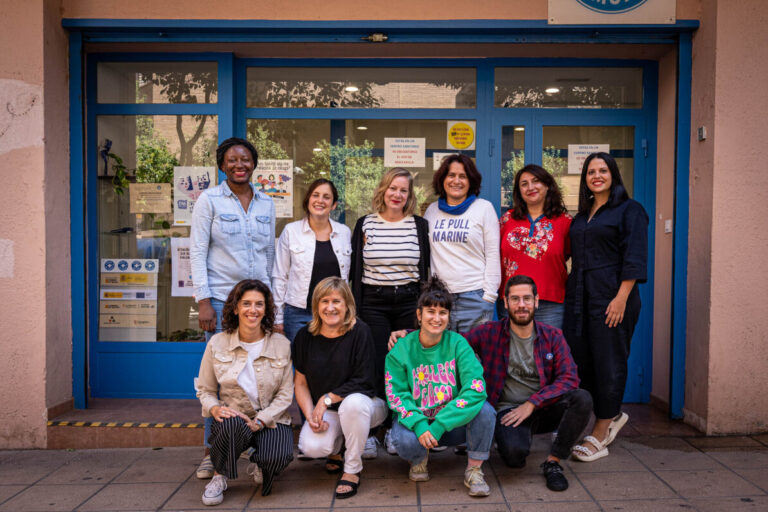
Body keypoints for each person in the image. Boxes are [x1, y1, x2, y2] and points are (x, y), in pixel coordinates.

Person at [390, 275, 592, 491]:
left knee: (582, 398)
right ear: (505, 303)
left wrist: (533, 403)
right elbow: (452, 342)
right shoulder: (490, 333)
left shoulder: (553, 336)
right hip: (509, 413)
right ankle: (511, 440)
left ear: (536, 301)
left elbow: (570, 378)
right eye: (515, 299)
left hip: (542, 406)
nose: (521, 305)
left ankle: (554, 462)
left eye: (526, 299)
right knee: (514, 458)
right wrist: (411, 335)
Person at [190, 137, 275, 479]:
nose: (239, 165)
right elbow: (197, 251)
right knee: (222, 380)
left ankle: (258, 447)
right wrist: (204, 302)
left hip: (259, 304)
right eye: (232, 160)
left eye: (245, 160)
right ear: (222, 166)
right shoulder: (208, 201)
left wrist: (274, 306)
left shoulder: (267, 202)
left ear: (254, 164)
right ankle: (213, 451)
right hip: (224, 302)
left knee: (259, 378)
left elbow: (269, 254)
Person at [563, 152, 649, 462]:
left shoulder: (630, 210)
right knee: (582, 362)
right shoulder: (583, 215)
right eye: (590, 172)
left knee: (609, 362)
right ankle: (600, 416)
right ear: (584, 179)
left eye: (603, 170)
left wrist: (621, 298)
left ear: (613, 174)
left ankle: (603, 426)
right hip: (579, 300)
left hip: (612, 299)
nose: (596, 175)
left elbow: (635, 256)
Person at [384, 277, 496, 497]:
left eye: (442, 313)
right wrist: (419, 425)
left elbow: (476, 388)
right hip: (419, 424)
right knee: (403, 440)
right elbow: (396, 395)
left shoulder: (458, 344)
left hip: (452, 425)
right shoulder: (401, 349)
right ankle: (418, 459)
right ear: (419, 315)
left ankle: (474, 469)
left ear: (448, 317)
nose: (436, 318)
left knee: (486, 411)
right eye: (430, 312)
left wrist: (439, 425)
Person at [349, 167, 430, 457]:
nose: (397, 194)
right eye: (392, 188)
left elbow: (425, 270)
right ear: (383, 190)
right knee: (376, 364)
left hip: (409, 301)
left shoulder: (419, 225)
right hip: (373, 302)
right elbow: (355, 270)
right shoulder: (365, 224)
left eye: (403, 190)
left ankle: (398, 428)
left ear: (409, 195)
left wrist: (423, 308)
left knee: (406, 365)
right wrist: (354, 310)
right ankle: (372, 431)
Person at [196, 280, 294, 506]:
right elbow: (206, 389)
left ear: (266, 309)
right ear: (235, 308)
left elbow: (285, 394)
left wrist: (262, 419)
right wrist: (215, 408)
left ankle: (260, 460)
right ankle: (219, 476)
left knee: (277, 458)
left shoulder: (281, 344)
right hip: (235, 417)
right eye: (246, 303)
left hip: (269, 418)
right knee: (229, 425)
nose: (253, 310)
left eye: (259, 304)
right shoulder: (217, 343)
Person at [293, 277, 387, 499]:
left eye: (337, 301)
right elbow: (301, 382)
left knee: (352, 405)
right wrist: (312, 417)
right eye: (324, 301)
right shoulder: (305, 336)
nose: (331, 307)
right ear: (316, 305)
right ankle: (336, 450)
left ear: (347, 305)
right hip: (330, 412)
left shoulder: (360, 331)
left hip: (367, 405)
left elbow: (364, 381)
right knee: (312, 447)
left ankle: (352, 469)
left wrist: (326, 399)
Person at [424, 154, 500, 333]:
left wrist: (488, 296)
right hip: (439, 298)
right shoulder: (432, 210)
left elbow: (493, 254)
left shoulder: (484, 208)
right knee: (442, 357)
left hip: (474, 297)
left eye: (463, 176)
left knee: (472, 357)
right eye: (451, 175)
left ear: (471, 181)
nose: (456, 181)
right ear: (442, 179)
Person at [272, 179, 352, 343]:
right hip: (298, 313)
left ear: (334, 204)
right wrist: (277, 318)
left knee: (333, 364)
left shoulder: (344, 233)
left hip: (334, 313)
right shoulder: (291, 231)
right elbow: (280, 276)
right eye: (315, 195)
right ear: (308, 200)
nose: (320, 201)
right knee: (301, 364)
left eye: (326, 197)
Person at [500, 164, 572, 329]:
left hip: (550, 302)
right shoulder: (507, 220)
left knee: (547, 353)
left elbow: (566, 255)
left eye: (536, 181)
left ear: (547, 185)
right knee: (513, 353)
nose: (530, 187)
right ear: (519, 191)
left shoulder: (564, 221)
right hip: (512, 300)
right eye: (524, 184)